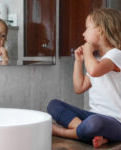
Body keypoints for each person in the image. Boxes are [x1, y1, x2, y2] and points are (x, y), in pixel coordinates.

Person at [47, 8, 121, 148]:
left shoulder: (116, 55)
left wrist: (87, 50)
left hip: (116, 122)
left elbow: (94, 70)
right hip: (93, 116)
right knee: (54, 105)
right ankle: (89, 133)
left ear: (100, 30)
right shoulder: (96, 60)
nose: (83, 33)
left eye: (87, 28)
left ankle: (63, 132)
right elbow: (79, 87)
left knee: (96, 123)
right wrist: (78, 61)